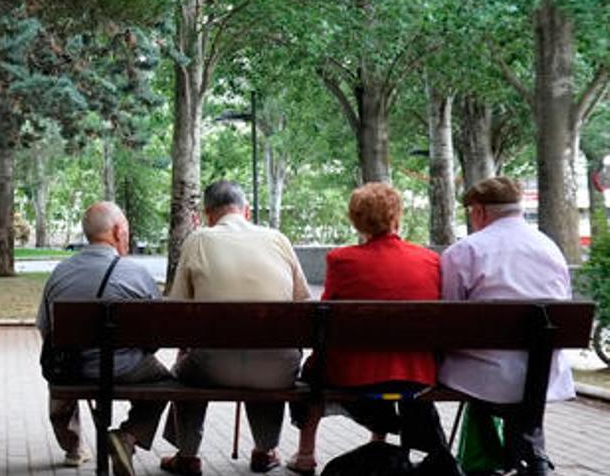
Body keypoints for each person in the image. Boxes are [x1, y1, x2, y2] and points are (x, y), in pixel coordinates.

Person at [287, 183, 461, 476]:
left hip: (354, 375)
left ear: (355, 219)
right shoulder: (429, 260)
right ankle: (381, 443)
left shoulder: (341, 260)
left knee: (312, 371)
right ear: (397, 218)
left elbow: (326, 318)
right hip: (417, 376)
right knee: (390, 363)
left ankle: (306, 454)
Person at [160, 180, 309, 476]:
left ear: (207, 214)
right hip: (277, 370)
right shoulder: (278, 239)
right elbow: (302, 301)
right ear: (247, 211)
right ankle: (266, 450)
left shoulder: (198, 239)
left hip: (214, 367)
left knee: (183, 370)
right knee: (270, 357)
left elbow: (176, 310)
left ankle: (187, 455)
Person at [439, 177, 576, 476]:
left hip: (480, 376)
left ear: (479, 212)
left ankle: (480, 459)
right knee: (510, 381)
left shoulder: (464, 252)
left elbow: (450, 316)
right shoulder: (550, 249)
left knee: (465, 365)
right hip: (544, 374)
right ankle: (529, 453)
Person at [36, 202, 170, 476]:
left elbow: (46, 329)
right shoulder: (137, 274)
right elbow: (157, 333)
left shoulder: (60, 273)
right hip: (125, 369)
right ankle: (128, 436)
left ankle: (74, 447)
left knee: (60, 379)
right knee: (167, 382)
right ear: (119, 231)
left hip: (72, 371)